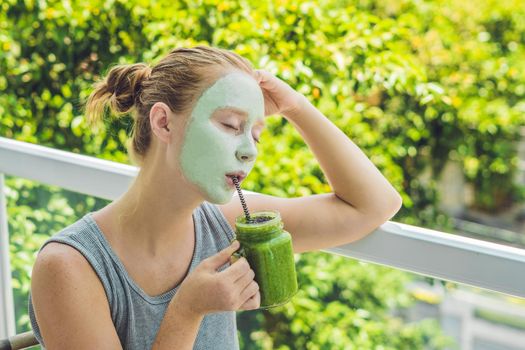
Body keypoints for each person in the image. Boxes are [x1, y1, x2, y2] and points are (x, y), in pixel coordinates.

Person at [28, 45, 402, 349]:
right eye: (230, 125)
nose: (249, 152)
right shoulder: (70, 268)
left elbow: (373, 205)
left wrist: (296, 108)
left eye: (255, 135)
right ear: (163, 122)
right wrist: (187, 311)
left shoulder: (226, 224)